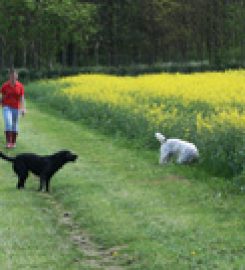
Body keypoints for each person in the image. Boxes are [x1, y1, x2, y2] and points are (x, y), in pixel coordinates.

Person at [0, 68, 26, 148]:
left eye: (14, 76)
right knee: (8, 122)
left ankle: (13, 142)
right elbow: (2, 97)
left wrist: (23, 108)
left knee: (15, 124)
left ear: (17, 76)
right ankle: (8, 142)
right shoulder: (5, 86)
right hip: (6, 107)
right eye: (11, 76)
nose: (13, 78)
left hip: (16, 107)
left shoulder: (20, 86)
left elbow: (22, 98)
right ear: (9, 76)